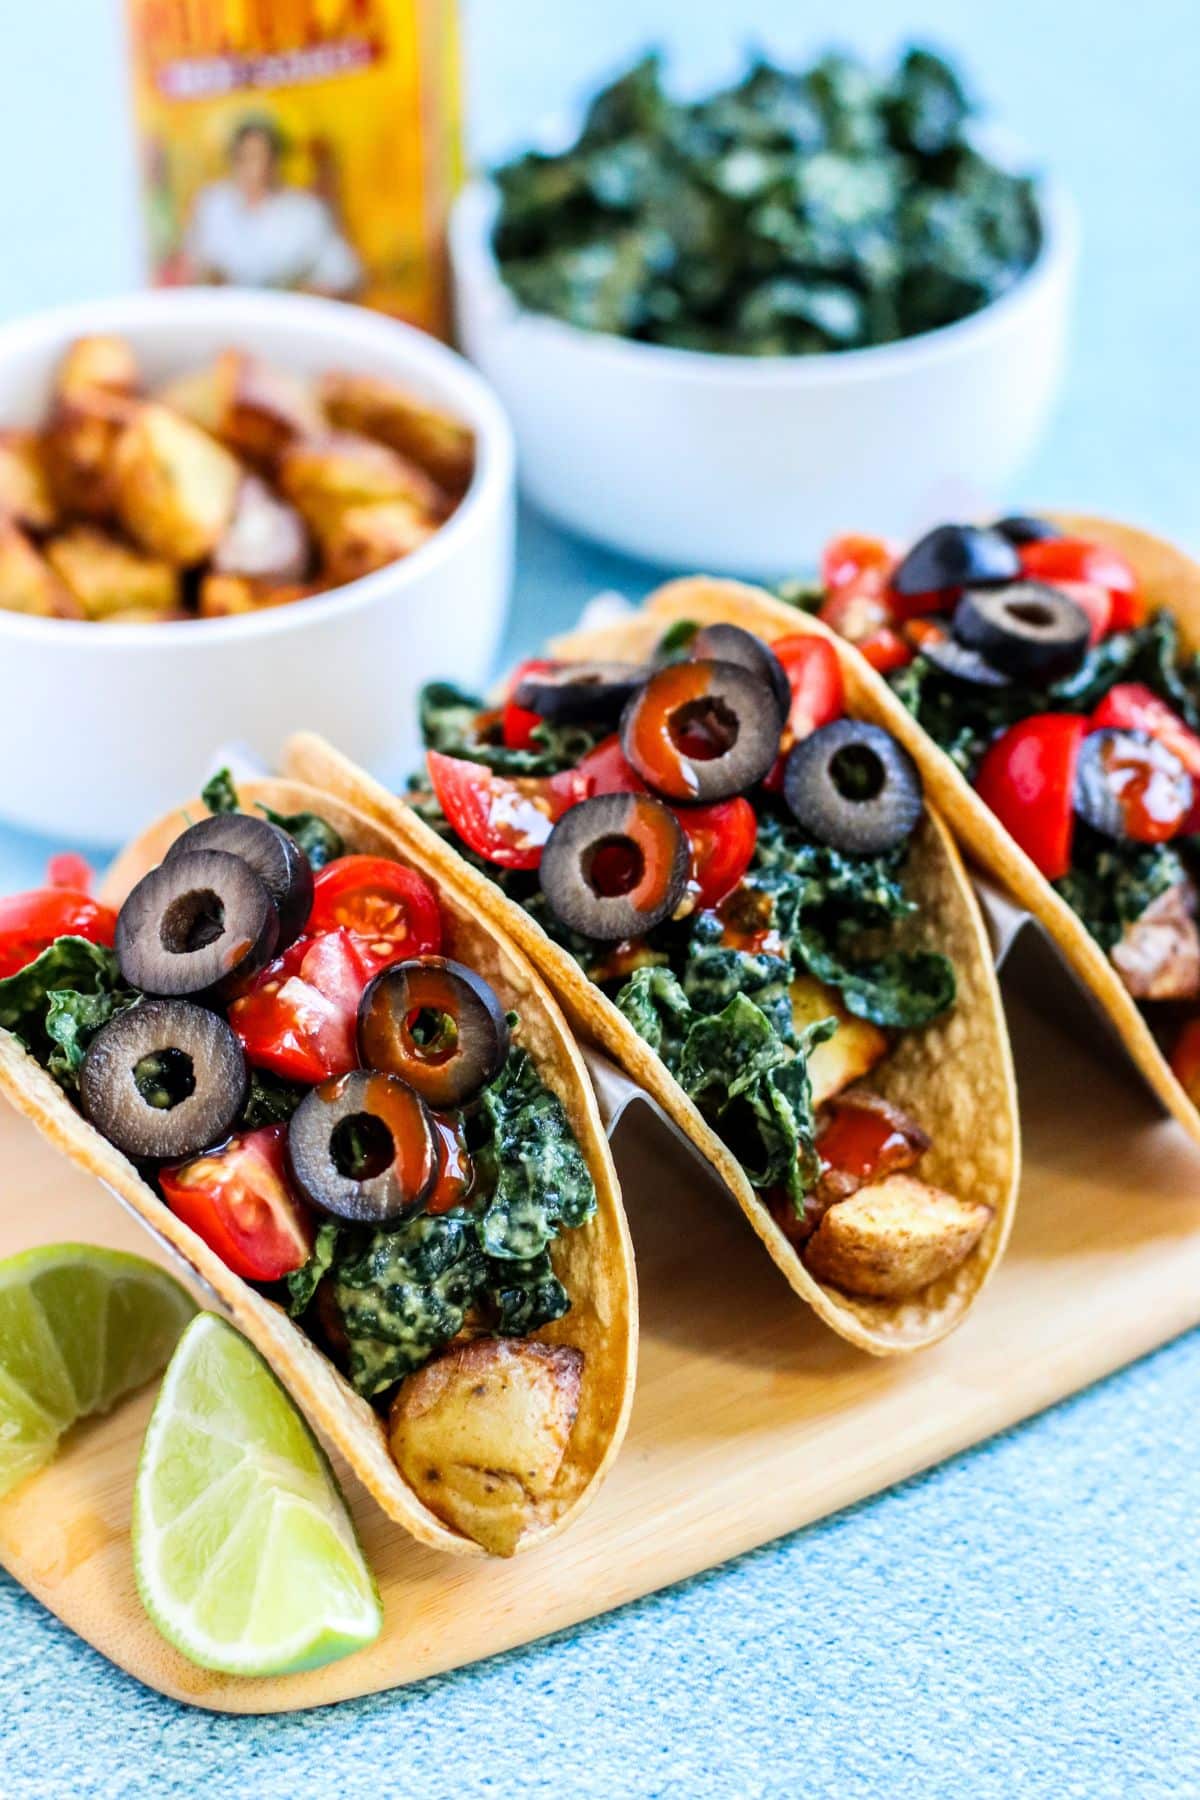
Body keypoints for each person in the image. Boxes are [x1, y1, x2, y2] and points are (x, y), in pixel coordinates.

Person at [185, 117, 362, 297]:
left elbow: (346, 275)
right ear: (233, 161)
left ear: (277, 161)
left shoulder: (305, 211)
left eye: (264, 158)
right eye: (246, 158)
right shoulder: (212, 205)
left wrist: (303, 294)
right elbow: (192, 265)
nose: (257, 170)